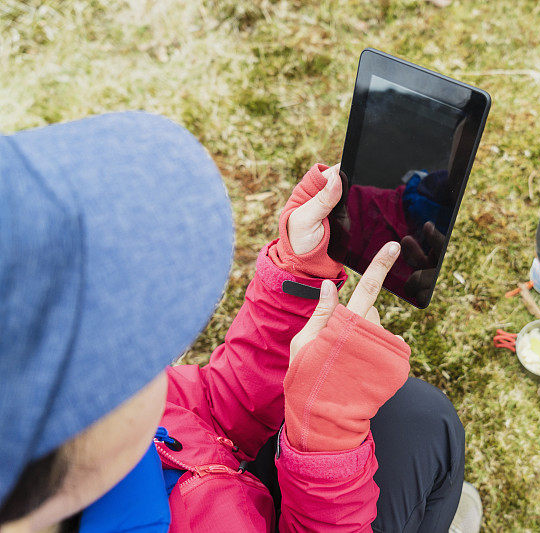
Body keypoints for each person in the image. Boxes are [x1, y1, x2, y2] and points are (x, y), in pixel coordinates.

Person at [0, 111, 482, 532]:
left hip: (223, 480)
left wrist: (298, 278)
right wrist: (325, 440)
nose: (166, 362)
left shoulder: (87, 437)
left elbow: (214, 406)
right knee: (432, 433)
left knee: (417, 415)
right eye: (145, 355)